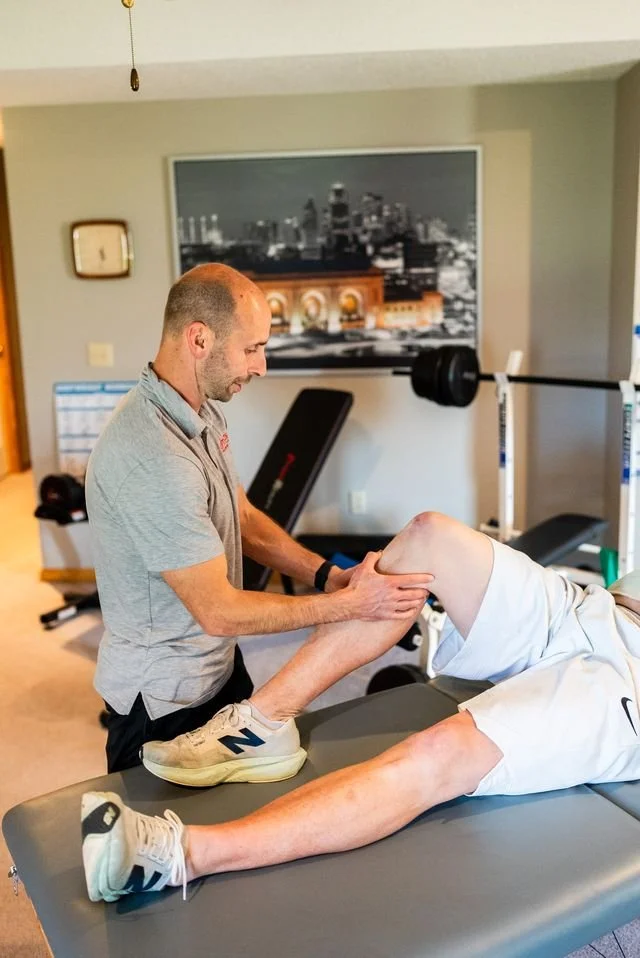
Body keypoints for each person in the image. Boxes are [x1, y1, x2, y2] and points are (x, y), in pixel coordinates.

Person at [81, 511, 640, 903]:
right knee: (428, 537)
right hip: (595, 611)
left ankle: (176, 856)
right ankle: (264, 722)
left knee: (443, 747)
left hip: (628, 684)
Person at [85, 263, 430, 774]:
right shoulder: (154, 456)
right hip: (163, 702)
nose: (261, 366)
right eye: (252, 348)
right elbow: (218, 610)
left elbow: (241, 515)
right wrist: (343, 605)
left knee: (254, 802)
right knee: (170, 844)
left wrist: (327, 576)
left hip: (219, 668)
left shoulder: (200, 409)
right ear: (199, 339)